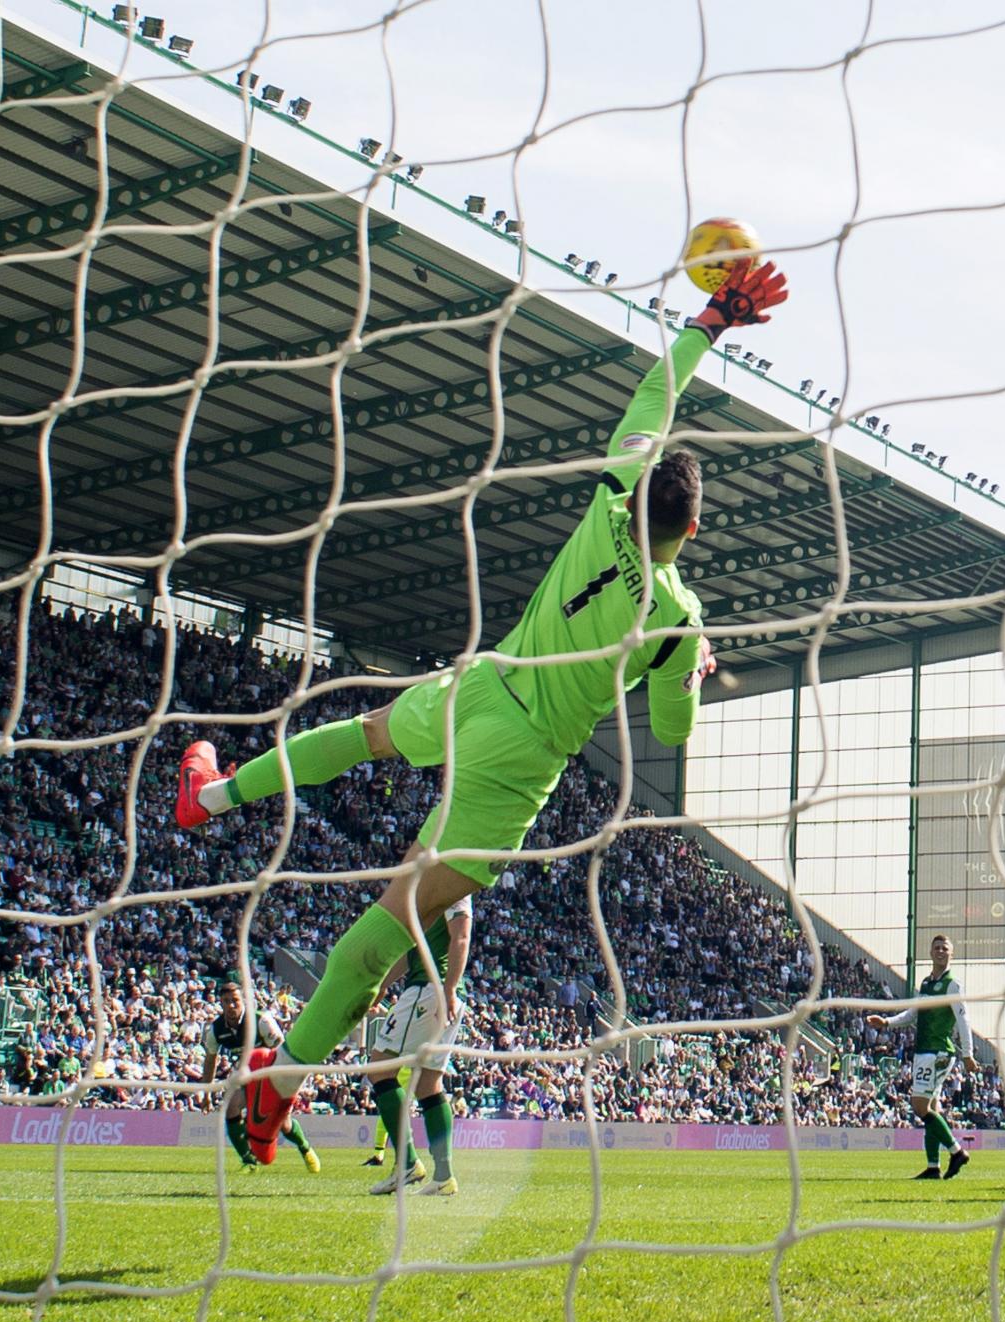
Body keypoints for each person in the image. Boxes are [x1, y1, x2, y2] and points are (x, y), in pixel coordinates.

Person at [170, 259, 791, 1161]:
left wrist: (711, 321)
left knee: (364, 733)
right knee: (394, 922)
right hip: (523, 757)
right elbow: (670, 731)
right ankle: (278, 1086)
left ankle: (216, 796)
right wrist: (691, 670)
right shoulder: (677, 618)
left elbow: (653, 396)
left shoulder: (615, 495)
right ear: (692, 529)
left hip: (482, 687)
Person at [366, 894, 472, 1197]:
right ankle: (443, 1176)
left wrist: (448, 988)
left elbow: (461, 937)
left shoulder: (455, 889)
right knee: (428, 1084)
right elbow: (410, 950)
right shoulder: (431, 891)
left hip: (430, 988)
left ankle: (407, 1163)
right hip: (437, 991)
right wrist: (384, 983)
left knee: (380, 1067)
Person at [866, 934, 978, 1180]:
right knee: (931, 1108)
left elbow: (963, 1019)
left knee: (919, 1106)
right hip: (924, 1050)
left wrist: (968, 1054)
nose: (940, 951)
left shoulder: (952, 985)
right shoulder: (926, 984)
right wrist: (886, 1022)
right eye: (936, 947)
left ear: (951, 954)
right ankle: (933, 1166)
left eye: (945, 948)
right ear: (930, 952)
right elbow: (911, 1014)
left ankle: (957, 1151)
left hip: (938, 1051)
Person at [197, 974, 318, 1173]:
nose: (231, 1006)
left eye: (235, 1001)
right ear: (221, 1003)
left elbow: (284, 1053)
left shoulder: (261, 1021)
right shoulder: (216, 1030)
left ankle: (305, 1148)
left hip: (273, 1077)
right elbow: (211, 1060)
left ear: (242, 1000)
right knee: (231, 1108)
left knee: (283, 1125)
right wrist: (207, 1093)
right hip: (248, 1077)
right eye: (226, 1002)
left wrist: (288, 1085)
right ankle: (249, 1161)